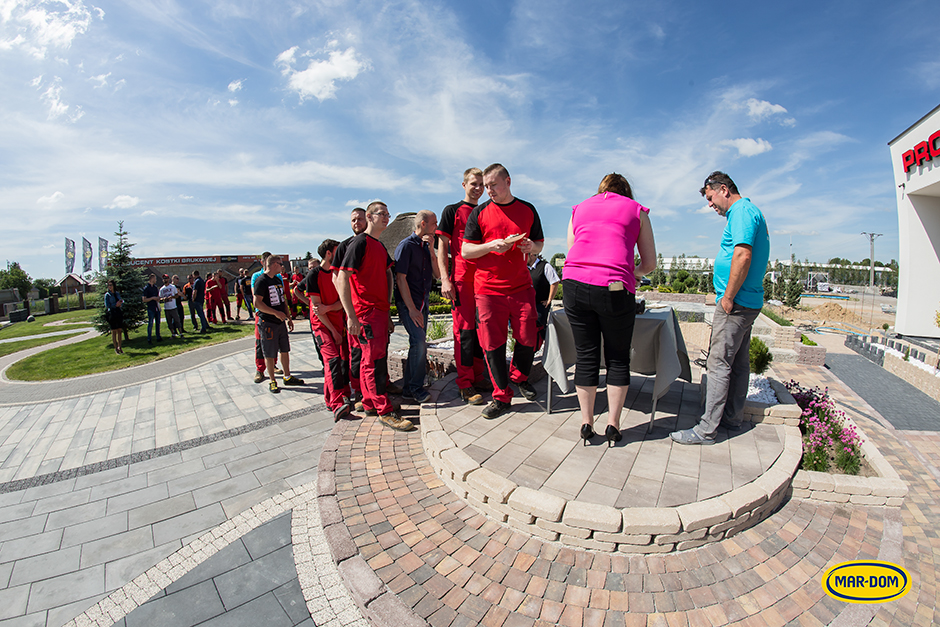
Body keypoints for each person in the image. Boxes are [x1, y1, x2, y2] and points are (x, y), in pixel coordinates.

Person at [671, 171, 770, 445]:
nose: (710, 205)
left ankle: (706, 430)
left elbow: (742, 254)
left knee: (718, 364)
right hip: (745, 301)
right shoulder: (746, 211)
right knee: (737, 362)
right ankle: (732, 419)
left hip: (736, 303)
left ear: (724, 189)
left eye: (711, 197)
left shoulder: (741, 211)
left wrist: (728, 297)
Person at [563, 173, 657, 445]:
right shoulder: (637, 210)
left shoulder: (579, 209)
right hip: (615, 288)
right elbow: (649, 262)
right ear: (626, 191)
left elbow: (573, 249)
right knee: (617, 358)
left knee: (586, 355)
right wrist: (635, 273)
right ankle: (613, 424)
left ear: (600, 190)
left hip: (575, 285)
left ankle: (586, 421)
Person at [462, 163, 544, 419]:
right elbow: (466, 251)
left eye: (493, 185)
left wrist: (532, 246)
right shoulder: (480, 213)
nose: (489, 191)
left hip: (521, 286)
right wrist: (489, 246)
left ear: (508, 181)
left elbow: (539, 243)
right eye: (486, 186)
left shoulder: (528, 209)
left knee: (528, 337)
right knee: (492, 344)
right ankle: (501, 396)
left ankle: (519, 377)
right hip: (488, 290)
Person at [337, 202, 414, 432]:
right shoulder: (359, 242)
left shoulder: (379, 246)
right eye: (383, 214)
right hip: (365, 313)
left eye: (389, 214)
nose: (387, 218)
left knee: (372, 360)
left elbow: (387, 274)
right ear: (369, 216)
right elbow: (342, 277)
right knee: (372, 362)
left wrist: (387, 311)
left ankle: (370, 402)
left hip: (378, 313)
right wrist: (351, 316)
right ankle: (384, 410)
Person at [436, 168, 486, 406]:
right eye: (474, 184)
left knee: (481, 330)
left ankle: (478, 375)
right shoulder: (452, 211)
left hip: (484, 280)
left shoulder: (487, 211)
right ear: (464, 185)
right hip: (462, 280)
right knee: (464, 331)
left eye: (482, 185)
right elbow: (441, 248)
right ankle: (465, 383)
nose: (478, 189)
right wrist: (445, 279)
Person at [394, 210, 441, 403]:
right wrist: (412, 309)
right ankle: (415, 387)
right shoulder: (405, 246)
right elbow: (400, 278)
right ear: (423, 224)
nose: (436, 227)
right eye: (434, 223)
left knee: (418, 342)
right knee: (419, 340)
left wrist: (431, 252)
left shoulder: (427, 246)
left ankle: (408, 388)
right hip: (409, 303)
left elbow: (438, 275)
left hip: (424, 301)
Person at [306, 239, 352, 421]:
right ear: (328, 254)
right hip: (322, 327)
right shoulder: (314, 275)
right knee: (332, 360)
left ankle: (329, 398)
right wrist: (333, 330)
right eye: (337, 251)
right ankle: (337, 404)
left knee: (338, 362)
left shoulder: (338, 274)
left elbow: (343, 301)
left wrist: (330, 308)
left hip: (337, 324)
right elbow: (318, 310)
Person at [253, 255, 305, 393]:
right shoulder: (261, 281)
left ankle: (287, 376)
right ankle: (272, 380)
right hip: (268, 323)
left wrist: (288, 317)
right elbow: (257, 303)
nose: (282, 266)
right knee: (269, 352)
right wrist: (275, 313)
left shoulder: (277, 279)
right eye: (281, 264)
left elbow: (282, 299)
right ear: (274, 264)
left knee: (285, 349)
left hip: (280, 322)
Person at [158, 274, 183, 338]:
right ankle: (173, 334)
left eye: (166, 278)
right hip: (167, 308)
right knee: (169, 322)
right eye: (164, 279)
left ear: (168, 279)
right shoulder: (162, 289)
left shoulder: (172, 287)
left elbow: (177, 295)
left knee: (177, 320)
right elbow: (160, 298)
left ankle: (180, 333)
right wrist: (163, 299)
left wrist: (172, 297)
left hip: (173, 307)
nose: (165, 280)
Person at [104, 279, 124, 354]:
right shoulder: (107, 295)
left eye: (111, 285)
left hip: (118, 312)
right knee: (114, 331)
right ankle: (116, 348)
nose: (110, 287)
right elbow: (107, 305)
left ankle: (120, 347)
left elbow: (121, 300)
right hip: (112, 313)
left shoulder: (116, 293)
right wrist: (115, 305)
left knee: (119, 330)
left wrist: (120, 302)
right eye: (108, 285)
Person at [142, 273, 162, 345]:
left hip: (156, 307)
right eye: (155, 278)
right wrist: (152, 298)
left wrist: (158, 298)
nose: (155, 280)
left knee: (158, 323)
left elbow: (157, 295)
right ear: (151, 278)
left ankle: (158, 337)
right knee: (150, 323)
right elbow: (144, 299)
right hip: (151, 308)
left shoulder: (155, 287)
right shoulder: (146, 288)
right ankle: (149, 338)